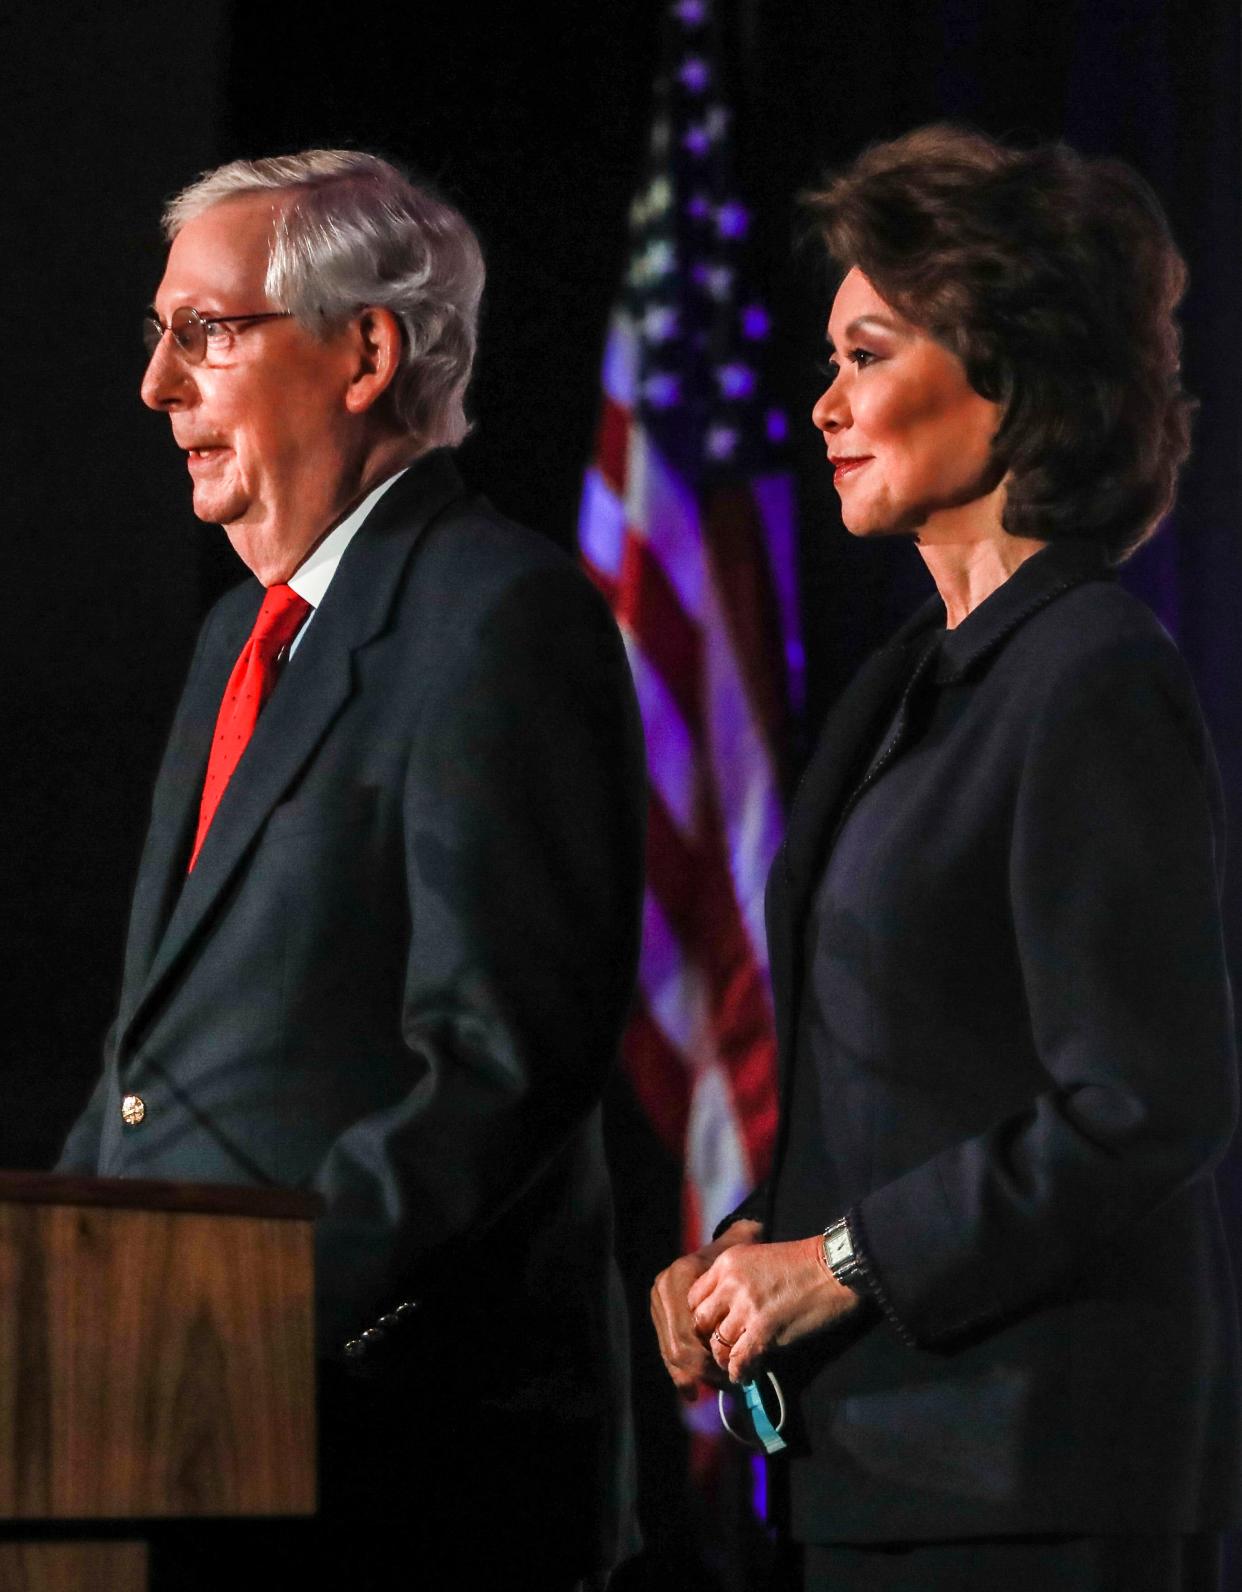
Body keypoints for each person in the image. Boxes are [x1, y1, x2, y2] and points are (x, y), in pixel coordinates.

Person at [651, 125, 1241, 1591]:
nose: (823, 404)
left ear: (1012, 375)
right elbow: (898, 1077)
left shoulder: (1093, 673)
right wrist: (749, 1254)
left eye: (865, 354)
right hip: (880, 1466)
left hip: (1031, 1471)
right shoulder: (908, 682)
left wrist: (833, 1267)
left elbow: (1141, 1103)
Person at [57, 149, 646, 1591]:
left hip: (399, 1461)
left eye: (205, 333)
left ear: (364, 351)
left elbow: (500, 1062)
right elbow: (161, 1055)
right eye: (157, 338)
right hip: (184, 1442)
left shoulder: (496, 617)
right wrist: (63, 1295)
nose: (158, 388)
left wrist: (243, 1323)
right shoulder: (236, 643)